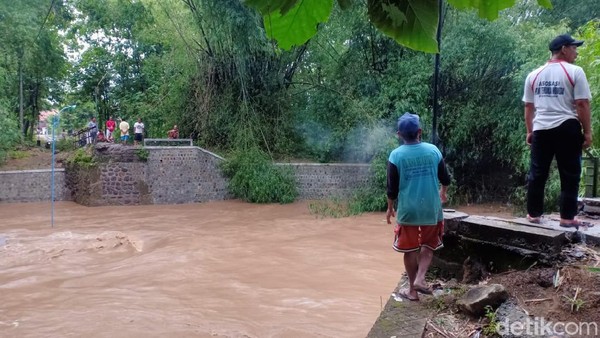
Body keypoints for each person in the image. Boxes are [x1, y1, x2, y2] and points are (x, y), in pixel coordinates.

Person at [523, 34, 593, 228]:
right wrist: (587, 132)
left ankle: (534, 214)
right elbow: (581, 103)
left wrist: (530, 131)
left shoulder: (534, 74)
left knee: (538, 172)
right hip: (566, 126)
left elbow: (529, 107)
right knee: (570, 173)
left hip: (541, 128)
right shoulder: (575, 72)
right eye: (574, 48)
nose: (576, 52)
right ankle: (567, 218)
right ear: (564, 49)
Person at [386, 112, 451, 302]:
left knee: (410, 249)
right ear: (419, 132)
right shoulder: (433, 151)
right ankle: (421, 278)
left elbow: (392, 188)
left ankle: (412, 292)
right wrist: (443, 193)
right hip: (431, 209)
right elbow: (445, 178)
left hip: (408, 211)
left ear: (399, 134)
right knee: (429, 245)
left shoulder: (395, 155)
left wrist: (390, 208)